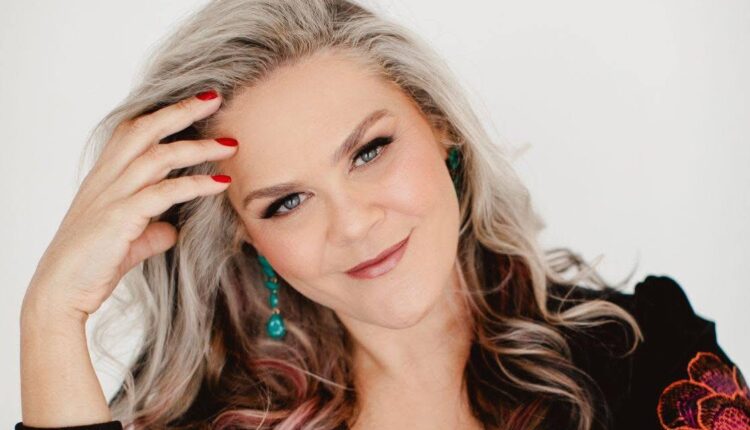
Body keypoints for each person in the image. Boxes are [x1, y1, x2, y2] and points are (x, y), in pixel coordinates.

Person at [17, 0, 748, 429]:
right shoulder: (204, 419)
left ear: (441, 128)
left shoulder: (646, 354)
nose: (353, 223)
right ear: (245, 232)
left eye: (368, 151)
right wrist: (51, 314)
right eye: (287, 202)